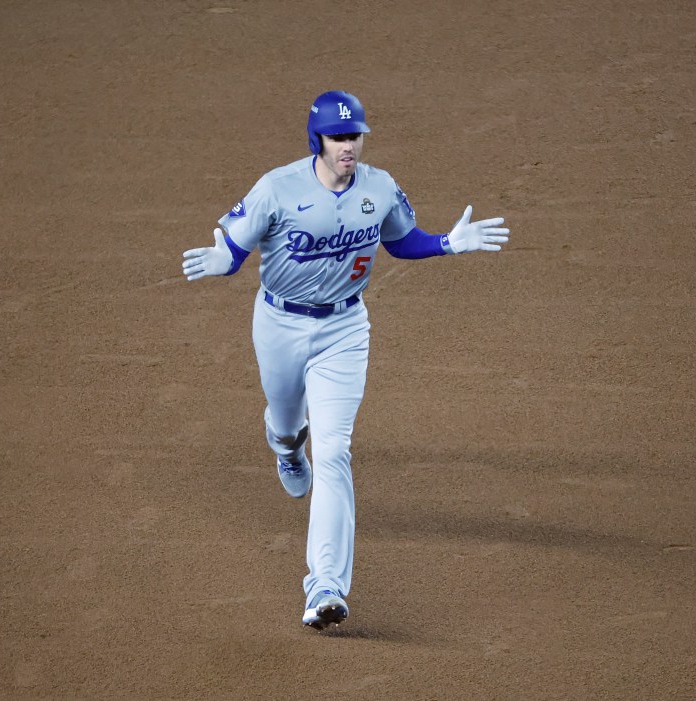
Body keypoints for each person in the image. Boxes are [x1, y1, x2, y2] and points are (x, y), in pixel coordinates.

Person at [181, 90, 509, 630]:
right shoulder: (277, 188)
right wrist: (224, 260)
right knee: (289, 425)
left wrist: (451, 242)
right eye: (338, 137)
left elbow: (402, 243)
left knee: (334, 452)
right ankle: (285, 445)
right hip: (280, 325)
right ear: (318, 140)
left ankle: (325, 585)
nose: (348, 146)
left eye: (355, 135)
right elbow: (235, 249)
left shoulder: (379, 188)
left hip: (344, 329)